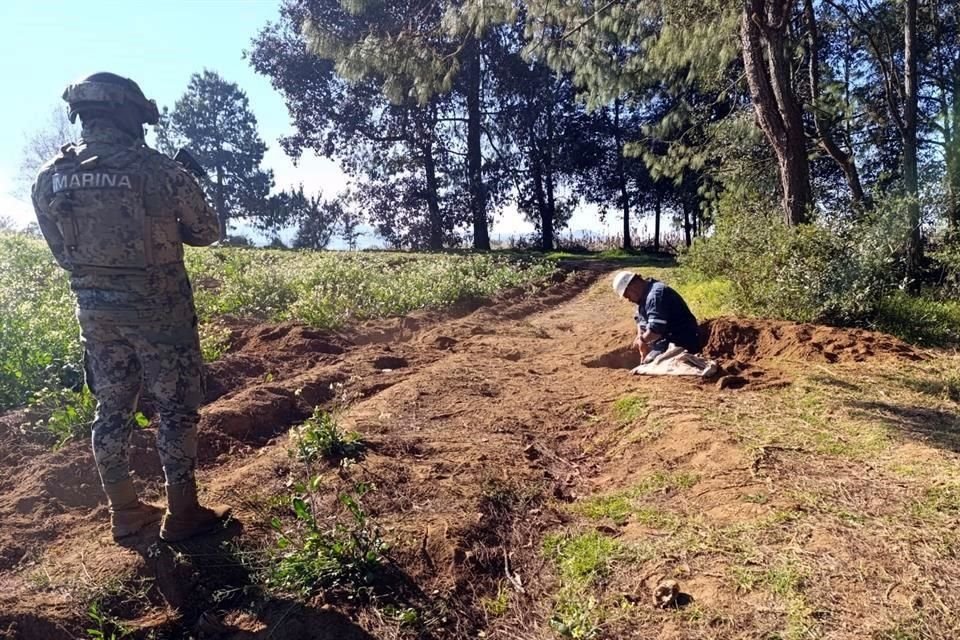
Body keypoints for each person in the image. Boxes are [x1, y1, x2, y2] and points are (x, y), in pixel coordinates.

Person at [31, 72, 230, 543]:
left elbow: (63, 255)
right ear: (128, 113)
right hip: (161, 315)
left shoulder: (51, 177)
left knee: (112, 407)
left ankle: (124, 510)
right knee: (176, 408)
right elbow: (207, 231)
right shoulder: (159, 170)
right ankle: (182, 512)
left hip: (97, 317)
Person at [612, 271, 701, 363]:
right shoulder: (643, 297)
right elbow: (640, 319)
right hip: (665, 341)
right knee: (648, 363)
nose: (629, 299)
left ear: (632, 287)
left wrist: (642, 340)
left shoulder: (655, 295)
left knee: (651, 363)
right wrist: (640, 336)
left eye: (627, 295)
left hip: (681, 341)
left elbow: (656, 330)